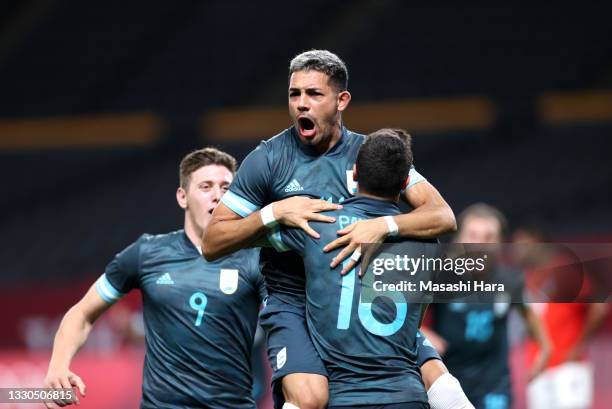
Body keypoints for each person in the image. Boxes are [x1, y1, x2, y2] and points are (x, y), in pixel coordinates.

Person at [203, 50, 460, 409]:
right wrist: (274, 212)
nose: (301, 105)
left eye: (314, 94)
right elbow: (213, 241)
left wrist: (381, 226)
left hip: (354, 298)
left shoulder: (368, 155)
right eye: (295, 95)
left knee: (444, 384)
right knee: (310, 399)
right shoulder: (268, 159)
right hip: (292, 297)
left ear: (341, 100)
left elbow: (442, 215)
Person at [44, 148, 266, 409]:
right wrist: (58, 365)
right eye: (206, 187)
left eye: (226, 188)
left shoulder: (256, 258)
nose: (217, 196)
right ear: (182, 197)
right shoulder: (147, 254)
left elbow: (292, 322)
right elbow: (82, 314)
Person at [266, 129, 473, 408]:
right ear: (404, 185)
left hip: (346, 397)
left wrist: (276, 212)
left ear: (353, 175)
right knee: (444, 385)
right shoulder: (427, 241)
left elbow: (237, 239)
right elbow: (415, 323)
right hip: (406, 397)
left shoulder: (317, 225)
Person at [422, 204, 551, 409]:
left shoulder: (510, 280)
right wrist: (424, 332)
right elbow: (409, 320)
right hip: (447, 380)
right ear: (458, 240)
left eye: (489, 236)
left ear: (500, 243)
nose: (480, 243)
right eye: (473, 235)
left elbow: (529, 314)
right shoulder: (440, 277)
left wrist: (545, 348)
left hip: (493, 383)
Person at [513, 227, 609, 409]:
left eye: (523, 244)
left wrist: (579, 346)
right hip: (539, 367)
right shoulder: (527, 276)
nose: (518, 250)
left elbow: (599, 306)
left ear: (536, 240)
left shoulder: (564, 269)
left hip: (567, 367)